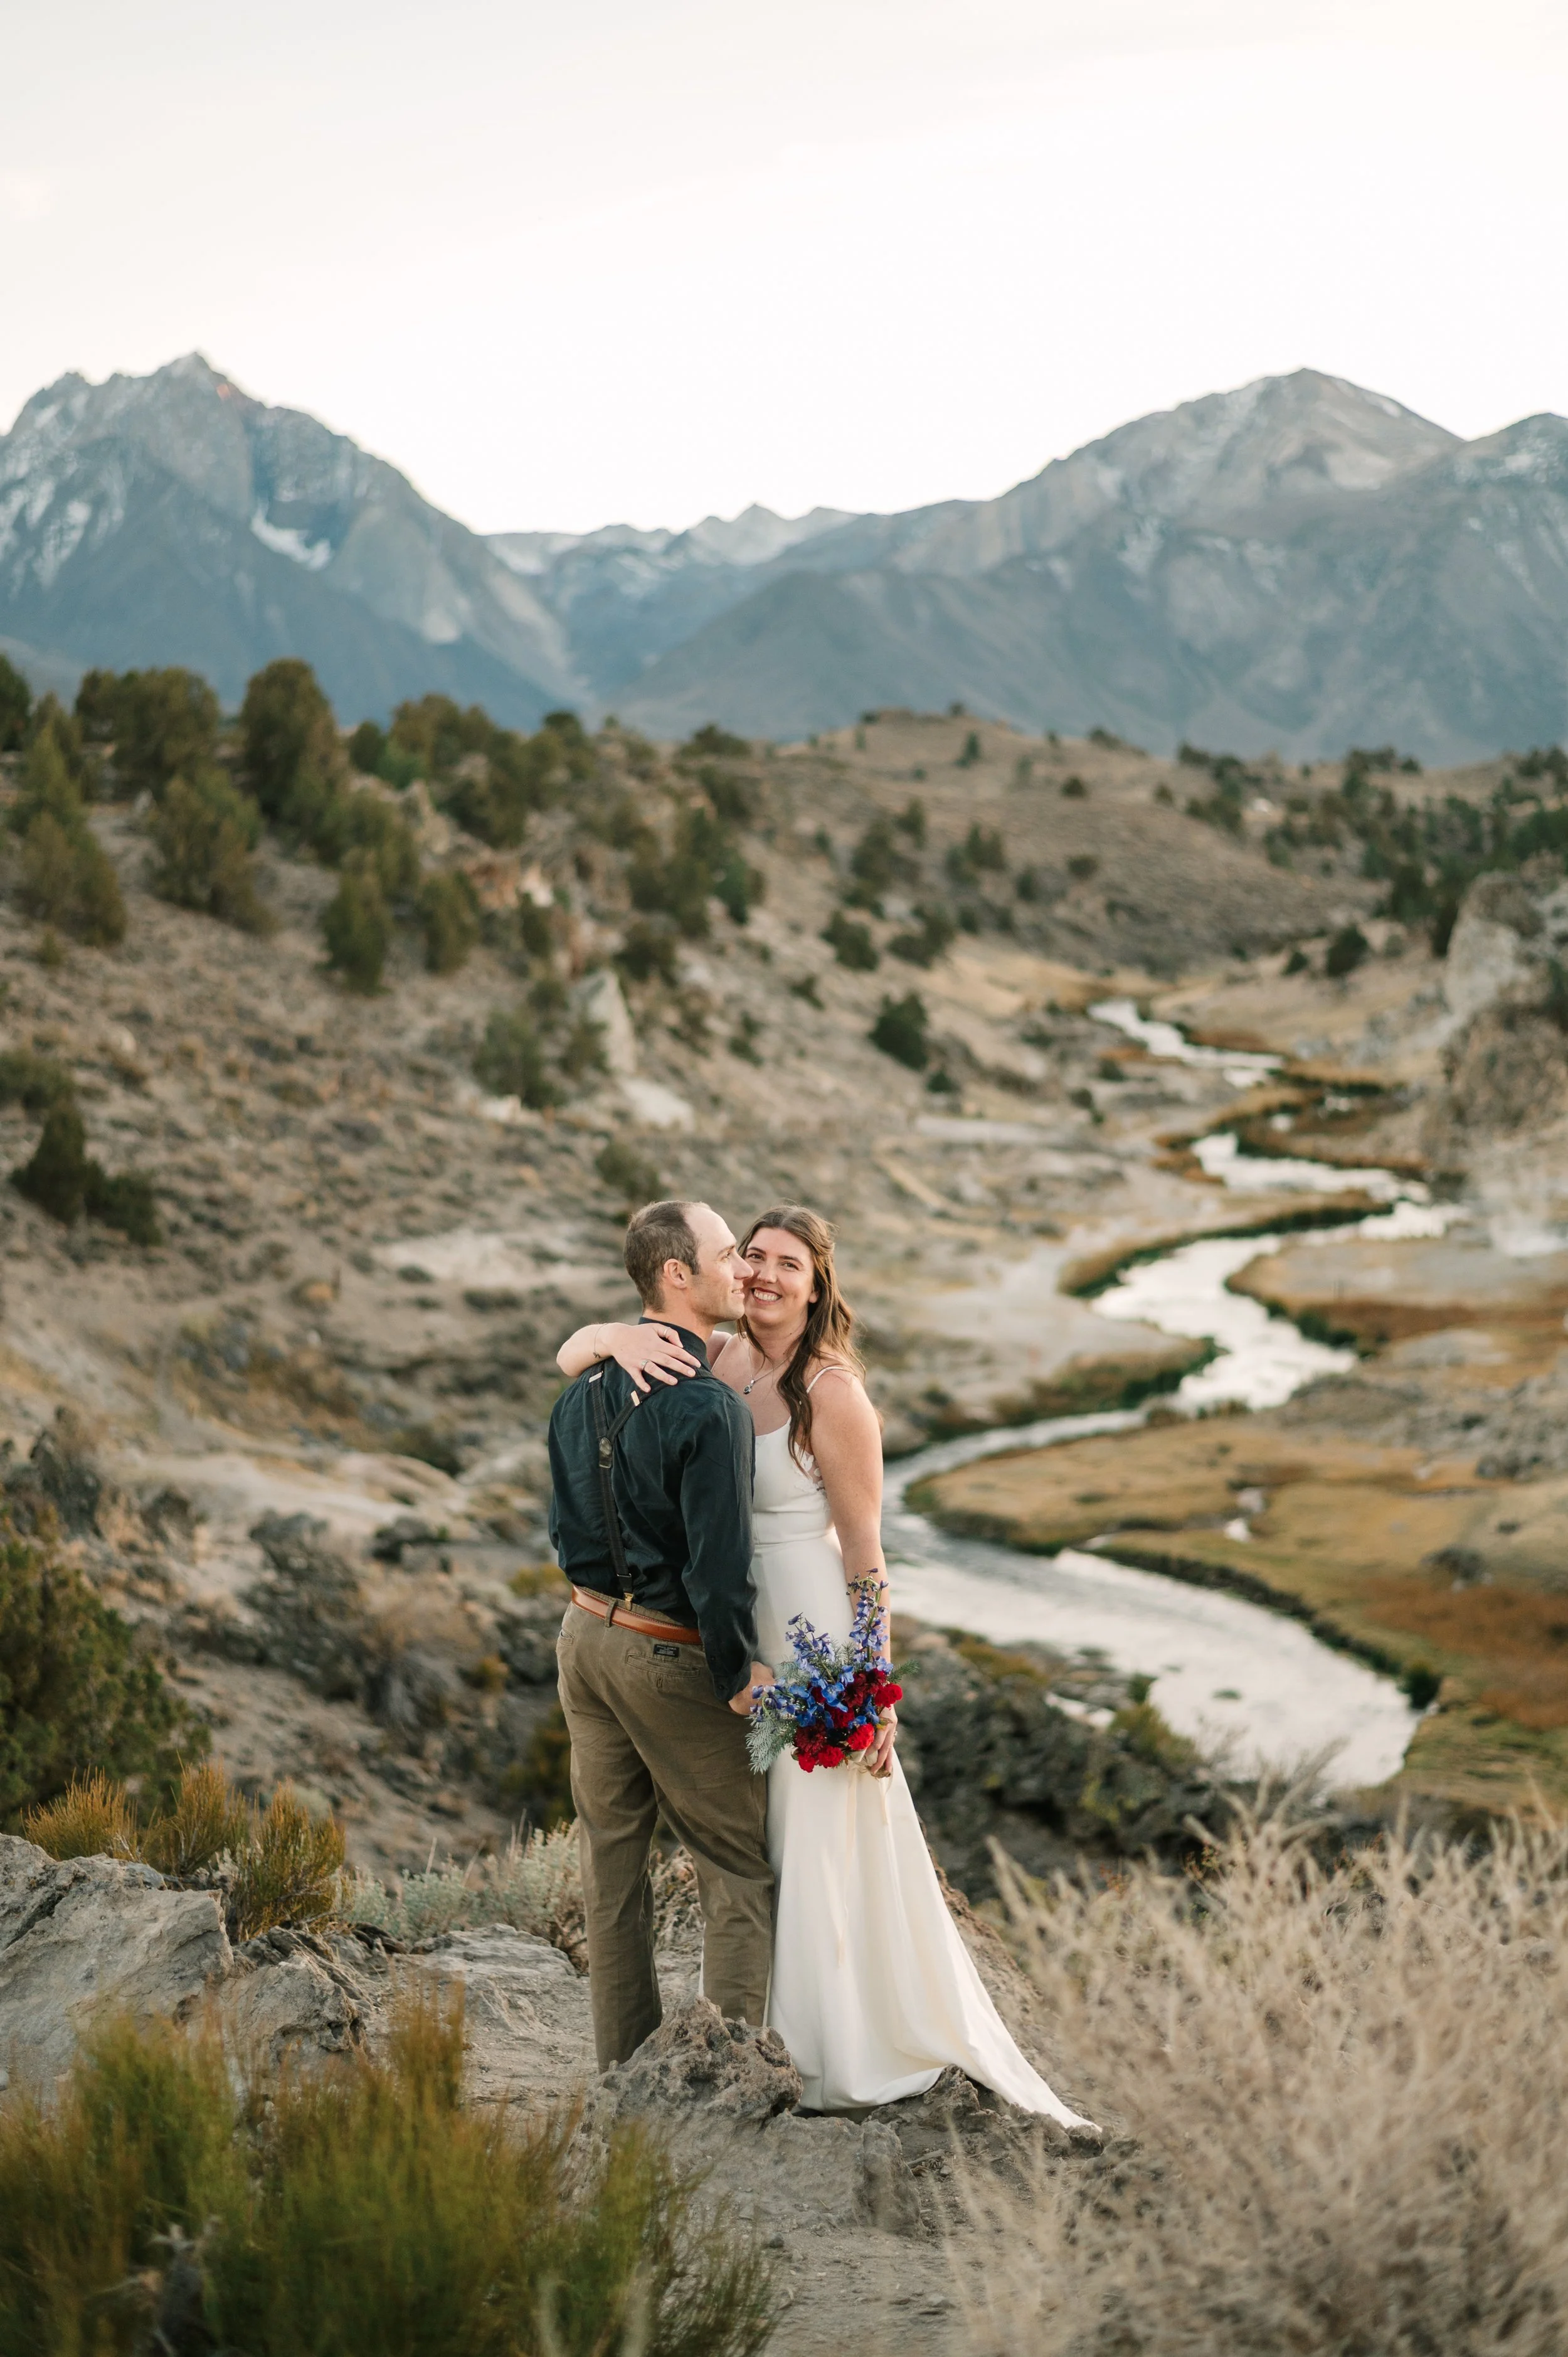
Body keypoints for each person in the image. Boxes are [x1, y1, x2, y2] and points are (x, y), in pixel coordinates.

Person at [558, 1201, 1096, 2126]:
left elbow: (868, 1555)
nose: (762, 1273)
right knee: (763, 1846)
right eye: (751, 1257)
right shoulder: (719, 1363)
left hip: (805, 1638)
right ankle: (757, 2046)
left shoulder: (834, 1395)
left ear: (818, 1285)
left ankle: (827, 2046)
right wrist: (606, 1333)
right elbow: (580, 1357)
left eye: (784, 1264)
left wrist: (872, 1686)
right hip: (734, 1631)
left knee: (815, 1839)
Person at [548, 1196, 775, 2071]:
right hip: (666, 1654)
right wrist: (736, 1675)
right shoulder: (709, 1410)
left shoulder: (580, 1391)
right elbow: (721, 1572)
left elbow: (568, 1524)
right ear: (676, 1274)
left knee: (611, 1872)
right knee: (737, 1874)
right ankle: (719, 2092)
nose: (741, 1269)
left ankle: (623, 2075)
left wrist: (599, 1336)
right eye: (726, 1254)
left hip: (582, 1639)